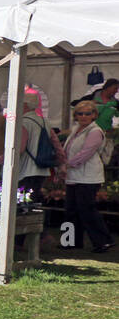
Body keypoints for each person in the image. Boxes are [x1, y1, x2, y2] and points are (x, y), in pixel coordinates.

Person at [52, 99, 113, 253]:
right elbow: (68, 151)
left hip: (89, 177)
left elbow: (85, 153)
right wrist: (62, 167)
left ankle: (103, 241)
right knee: (70, 210)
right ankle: (70, 241)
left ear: (94, 115)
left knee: (87, 209)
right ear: (76, 115)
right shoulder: (75, 130)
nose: (84, 116)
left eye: (88, 113)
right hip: (73, 176)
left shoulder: (95, 132)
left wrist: (66, 165)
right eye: (80, 113)